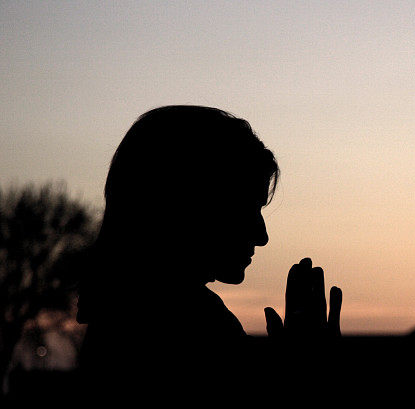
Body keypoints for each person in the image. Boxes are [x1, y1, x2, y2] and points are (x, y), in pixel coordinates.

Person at [76, 105, 341, 390]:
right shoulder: (192, 330)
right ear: (193, 205)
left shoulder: (119, 318)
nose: (261, 235)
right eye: (245, 208)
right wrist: (306, 373)